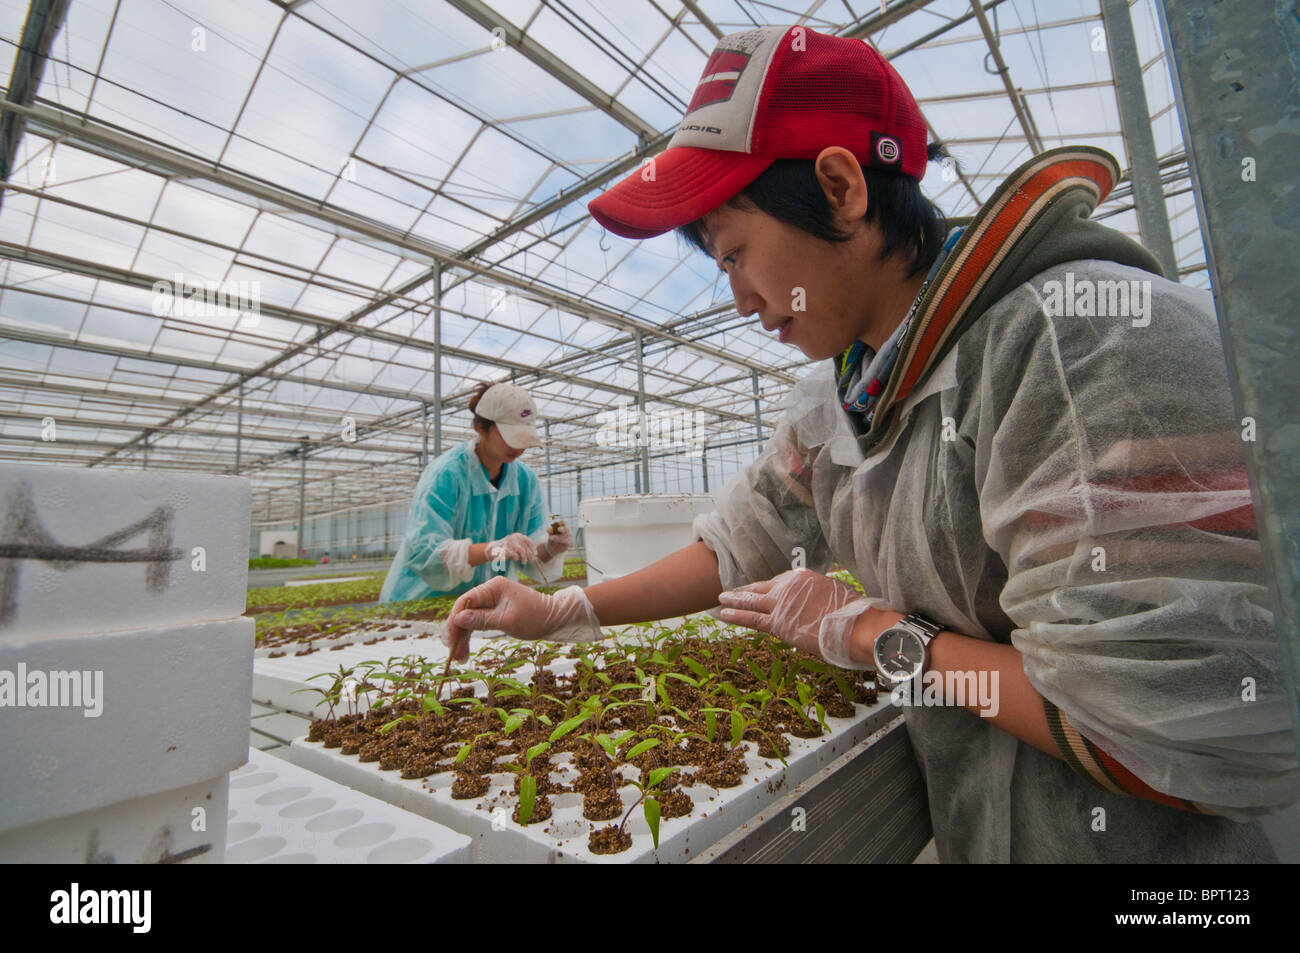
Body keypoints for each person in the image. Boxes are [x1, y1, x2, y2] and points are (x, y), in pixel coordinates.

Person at [442, 25, 1298, 862]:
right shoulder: (841, 397)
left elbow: (1154, 735)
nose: (740, 299)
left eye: (738, 254)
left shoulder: (1079, 345)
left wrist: (882, 636)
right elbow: (731, 545)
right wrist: (569, 609)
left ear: (842, 186)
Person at [380, 381, 573, 604]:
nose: (520, 447)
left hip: (484, 605)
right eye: (511, 435)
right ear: (482, 428)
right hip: (420, 604)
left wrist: (549, 548)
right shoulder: (447, 474)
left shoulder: (525, 481)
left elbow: (526, 552)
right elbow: (425, 554)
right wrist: (493, 548)